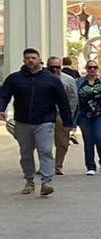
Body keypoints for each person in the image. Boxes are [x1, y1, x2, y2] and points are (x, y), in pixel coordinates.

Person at [0, 48, 74, 196]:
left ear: (39, 60)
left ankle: (46, 182)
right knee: (26, 153)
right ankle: (29, 181)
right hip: (22, 121)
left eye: (33, 58)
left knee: (45, 150)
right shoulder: (15, 78)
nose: (30, 60)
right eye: (27, 58)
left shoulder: (51, 79)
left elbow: (63, 101)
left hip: (45, 121)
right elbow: (3, 95)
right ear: (24, 60)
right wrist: (1, 108)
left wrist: (68, 123)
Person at [77, 62, 101, 174]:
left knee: (99, 137)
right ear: (86, 69)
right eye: (90, 67)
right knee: (88, 139)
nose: (92, 70)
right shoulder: (79, 82)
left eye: (95, 67)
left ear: (98, 69)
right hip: (84, 115)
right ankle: (90, 166)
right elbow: (74, 98)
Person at [50, 60, 79, 176]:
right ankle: (45, 165)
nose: (55, 69)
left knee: (62, 143)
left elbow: (73, 97)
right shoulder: (42, 78)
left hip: (60, 114)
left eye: (58, 67)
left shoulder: (68, 80)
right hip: (44, 114)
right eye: (52, 67)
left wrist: (68, 113)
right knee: (42, 142)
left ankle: (58, 166)